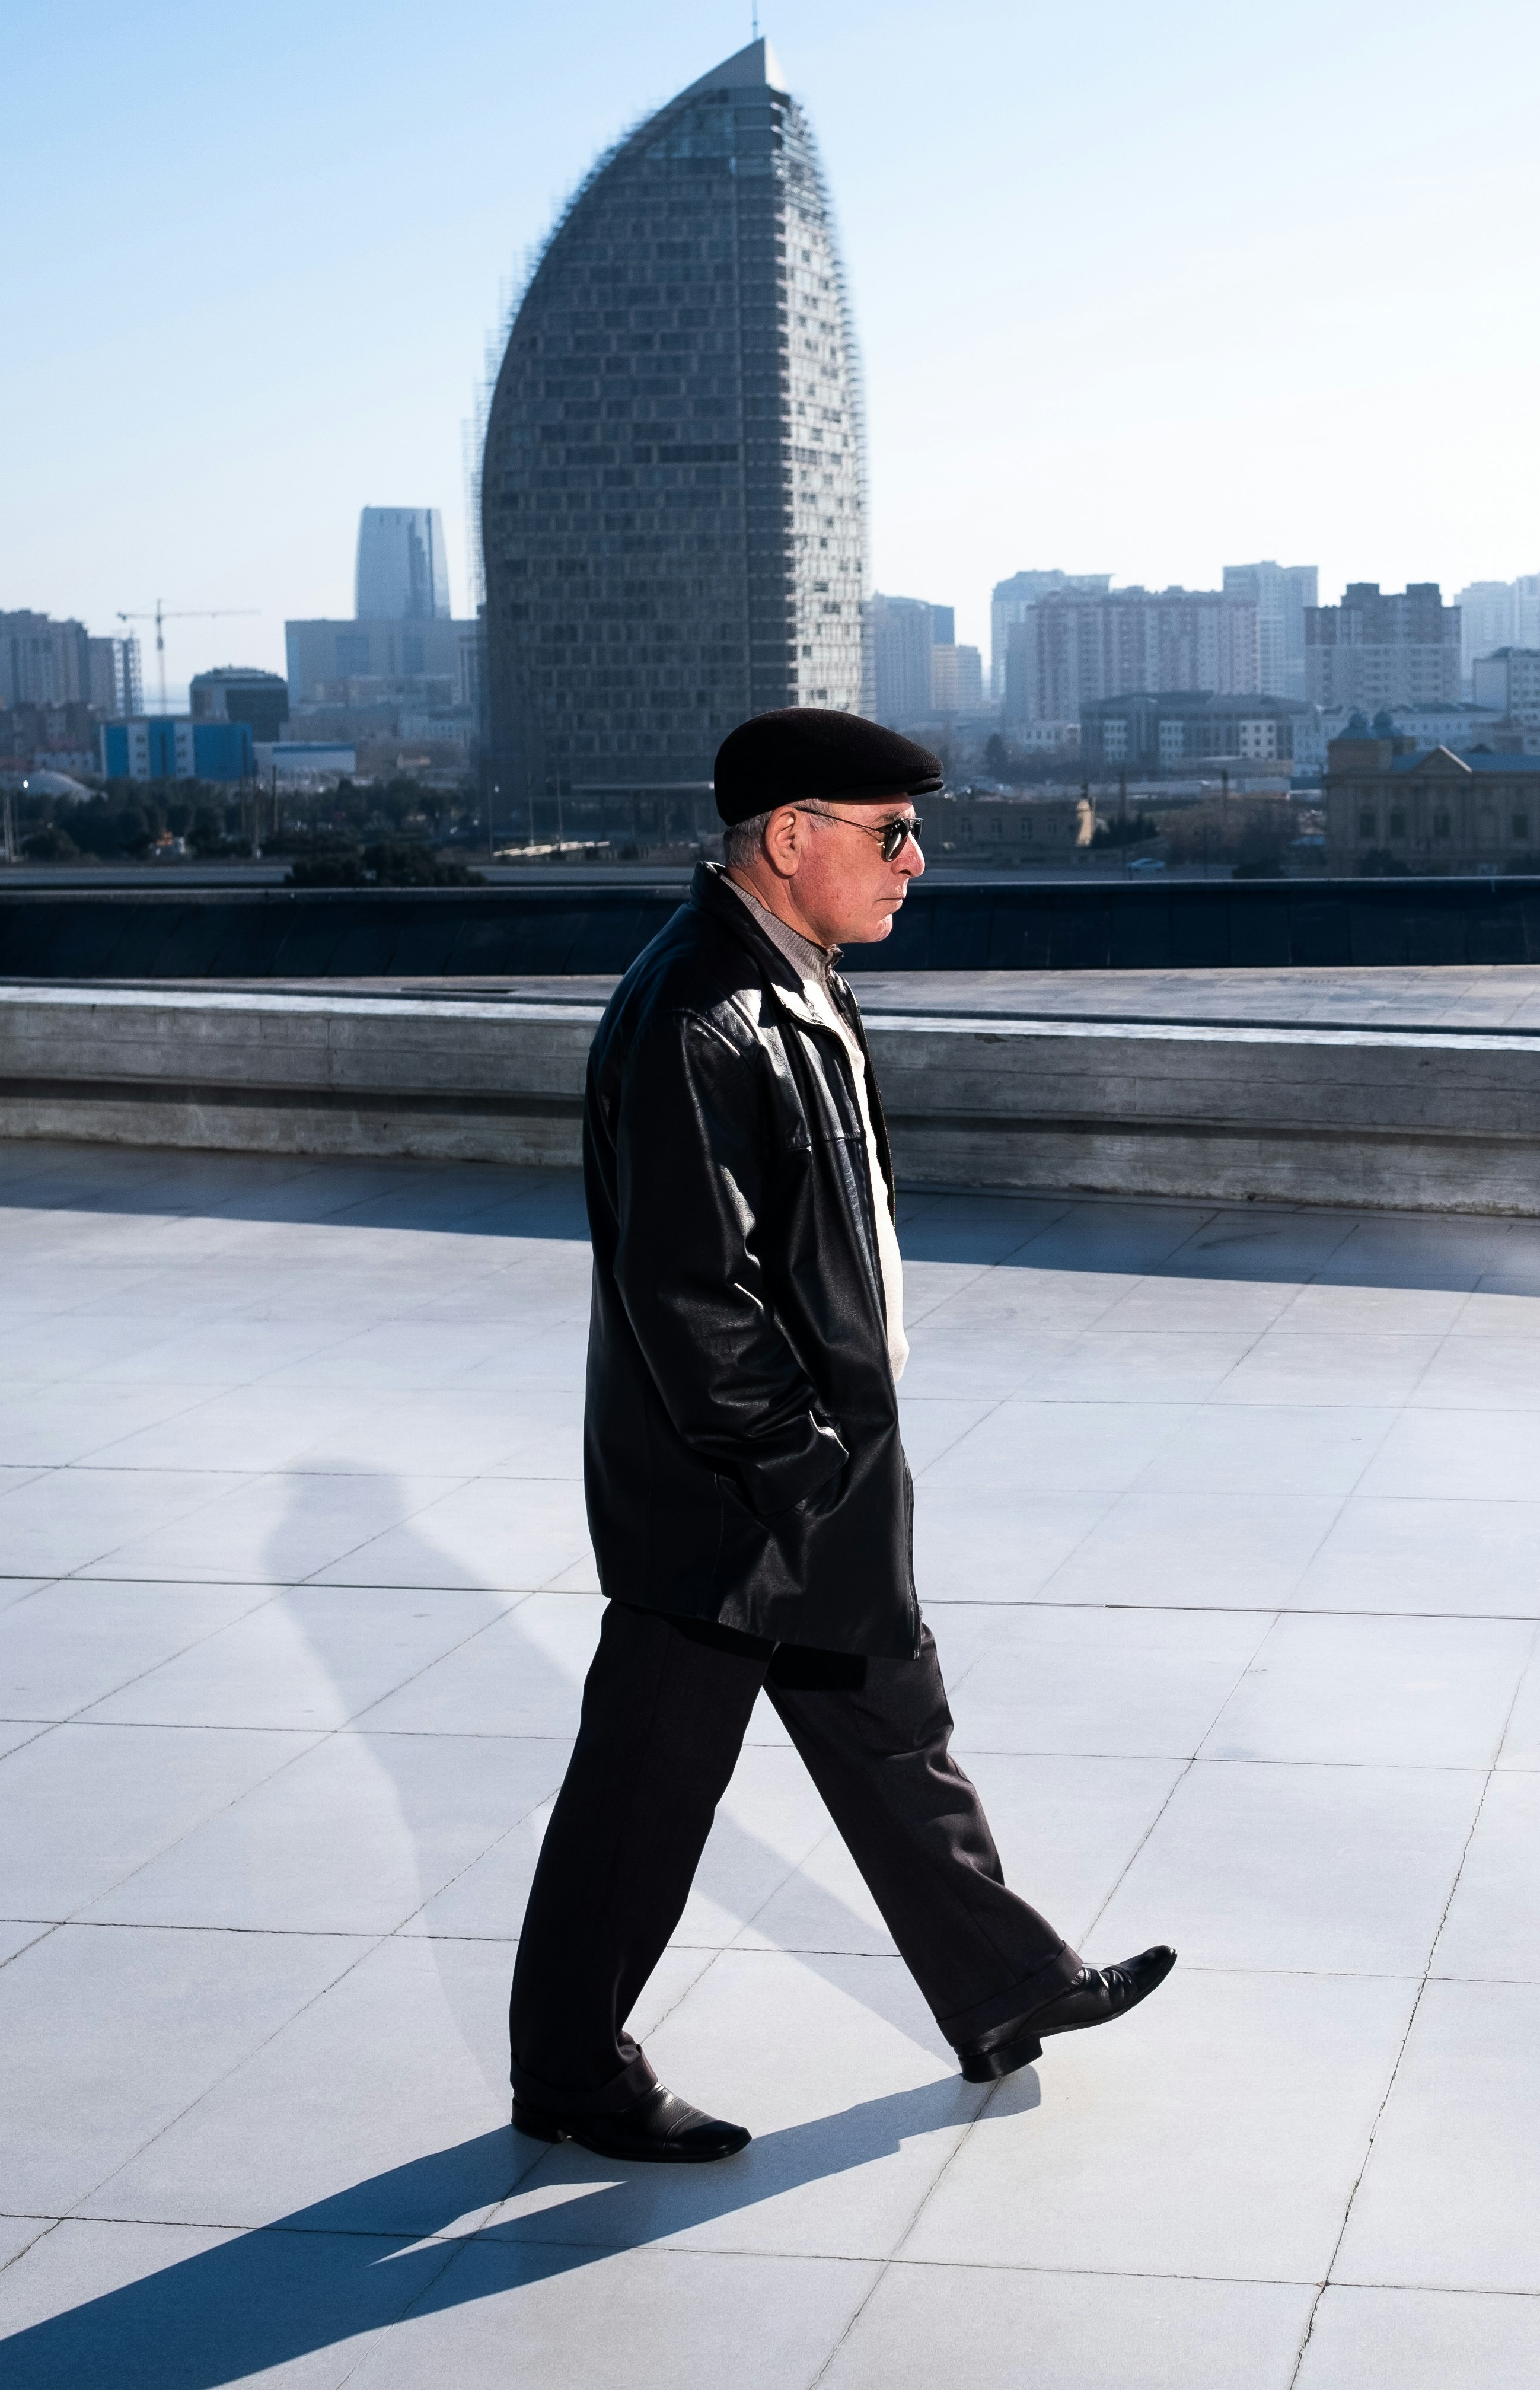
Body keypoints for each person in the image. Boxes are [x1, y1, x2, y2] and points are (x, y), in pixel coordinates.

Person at [505, 707, 1175, 2163]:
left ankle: (1008, 1986)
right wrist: (801, 1462)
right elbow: (692, 1294)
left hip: (817, 1465)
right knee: (646, 1789)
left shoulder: (791, 980)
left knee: (894, 1727)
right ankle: (568, 2074)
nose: (917, 861)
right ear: (791, 838)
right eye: (890, 835)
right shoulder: (702, 1015)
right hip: (739, 1494)